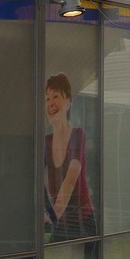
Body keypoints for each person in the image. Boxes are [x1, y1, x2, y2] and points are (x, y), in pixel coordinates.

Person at [44, 73, 95, 240]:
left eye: (56, 96)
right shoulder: (46, 142)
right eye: (47, 99)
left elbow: (70, 181)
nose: (50, 103)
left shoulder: (78, 135)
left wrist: (53, 215)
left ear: (68, 102)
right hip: (60, 223)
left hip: (83, 224)